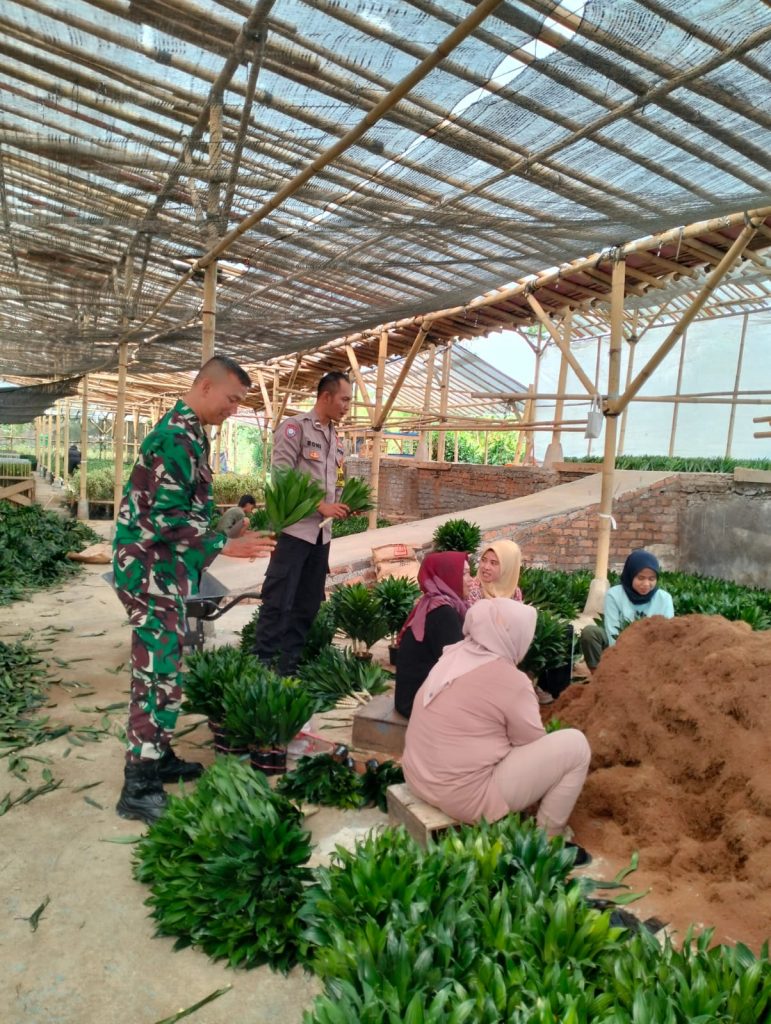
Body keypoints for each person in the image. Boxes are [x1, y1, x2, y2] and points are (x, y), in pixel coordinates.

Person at [113, 356, 276, 824]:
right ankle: (137, 783)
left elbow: (182, 507)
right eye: (232, 399)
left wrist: (221, 524)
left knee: (166, 665)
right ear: (205, 386)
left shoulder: (191, 435)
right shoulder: (171, 439)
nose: (234, 409)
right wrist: (227, 544)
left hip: (165, 570)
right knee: (156, 671)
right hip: (148, 571)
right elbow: (165, 520)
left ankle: (156, 756)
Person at [403, 599, 591, 858]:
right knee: (576, 746)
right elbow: (531, 741)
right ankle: (548, 840)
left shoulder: (453, 654)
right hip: (463, 797)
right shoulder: (511, 680)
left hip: (419, 778)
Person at [252, 371, 352, 675]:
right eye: (345, 399)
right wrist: (320, 505)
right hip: (294, 532)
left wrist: (345, 505)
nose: (348, 406)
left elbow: (334, 483)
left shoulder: (336, 438)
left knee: (308, 604)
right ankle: (263, 669)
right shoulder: (295, 428)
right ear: (326, 396)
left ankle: (288, 669)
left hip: (321, 537)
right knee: (278, 602)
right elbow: (282, 478)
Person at [466, 539, 553, 705]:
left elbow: (516, 628)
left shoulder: (514, 592)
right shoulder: (474, 588)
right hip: (480, 651)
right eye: (483, 560)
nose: (485, 567)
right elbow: (475, 629)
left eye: (494, 563)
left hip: (507, 652)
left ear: (508, 567)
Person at [394, 551, 471, 718]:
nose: (471, 580)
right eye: (464, 574)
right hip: (417, 702)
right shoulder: (443, 613)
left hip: (417, 695)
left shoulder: (440, 603)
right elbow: (456, 666)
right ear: (449, 576)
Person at [580, 549, 675, 671]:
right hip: (619, 649)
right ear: (630, 575)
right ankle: (600, 679)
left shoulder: (664, 598)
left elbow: (667, 634)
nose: (646, 584)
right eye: (641, 578)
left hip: (651, 654)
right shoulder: (614, 595)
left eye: (651, 579)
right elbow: (612, 632)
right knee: (590, 633)